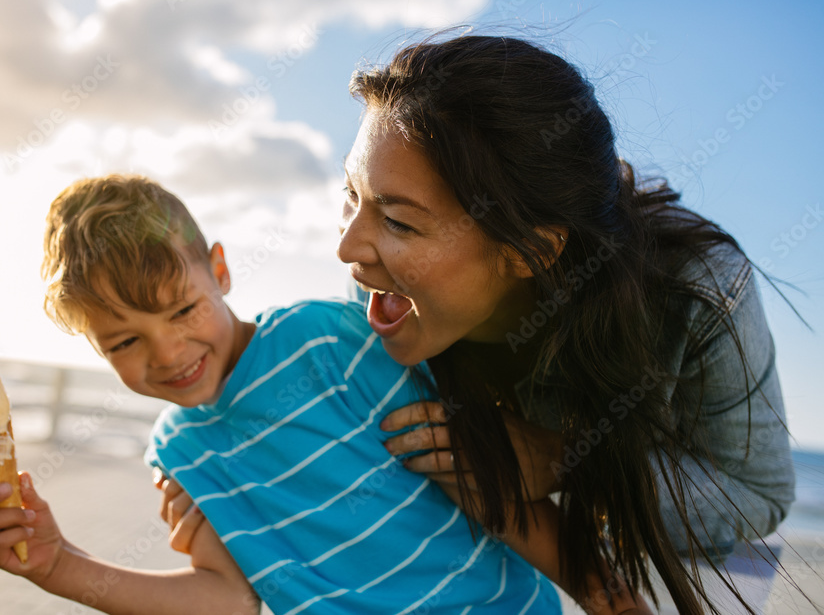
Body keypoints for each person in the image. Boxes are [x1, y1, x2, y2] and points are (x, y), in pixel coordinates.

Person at [332, 34, 796, 614]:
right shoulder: (392, 289)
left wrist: (564, 461)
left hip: (676, 555)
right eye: (352, 193)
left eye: (399, 222)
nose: (347, 247)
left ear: (529, 251)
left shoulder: (700, 290)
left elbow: (760, 494)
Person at [0, 174, 567, 614]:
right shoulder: (180, 452)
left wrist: (611, 598)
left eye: (182, 309)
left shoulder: (325, 341)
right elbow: (226, 601)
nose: (169, 353)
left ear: (219, 270)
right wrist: (61, 566)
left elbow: (481, 477)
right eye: (124, 342)